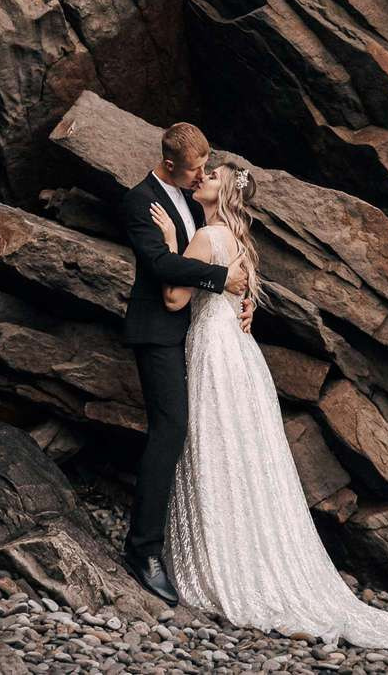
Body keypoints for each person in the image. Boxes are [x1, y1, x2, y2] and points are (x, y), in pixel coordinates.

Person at [152, 162, 388, 650]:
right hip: (242, 357)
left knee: (214, 452)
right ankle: (259, 558)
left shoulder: (205, 238)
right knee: (245, 457)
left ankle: (225, 565)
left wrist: (168, 244)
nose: (203, 180)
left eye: (212, 176)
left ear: (225, 194)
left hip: (212, 353)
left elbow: (175, 299)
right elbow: (243, 311)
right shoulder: (240, 244)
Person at [119, 122, 249, 605]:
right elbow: (161, 268)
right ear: (169, 163)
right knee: (170, 431)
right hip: (157, 332)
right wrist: (223, 279)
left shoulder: (194, 201)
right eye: (194, 169)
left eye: (205, 166)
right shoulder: (140, 201)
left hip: (193, 333)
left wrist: (240, 298)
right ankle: (143, 551)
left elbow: (214, 244)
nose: (201, 176)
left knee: (196, 432)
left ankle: (191, 543)